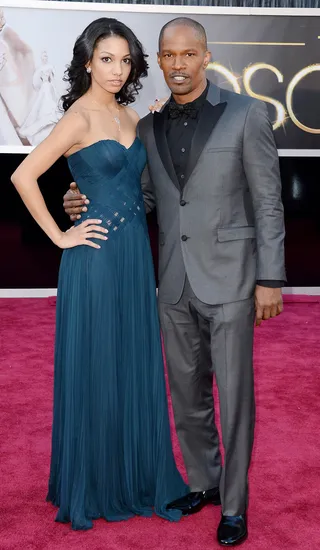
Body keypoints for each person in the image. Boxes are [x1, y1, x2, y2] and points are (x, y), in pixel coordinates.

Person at [64, 17, 286, 545]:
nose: (179, 64)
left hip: (232, 280)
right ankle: (204, 483)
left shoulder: (247, 113)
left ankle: (234, 505)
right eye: (169, 55)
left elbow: (268, 203)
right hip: (172, 283)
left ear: (206, 56)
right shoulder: (147, 127)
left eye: (189, 54)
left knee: (233, 398)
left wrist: (270, 278)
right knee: (187, 396)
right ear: (159, 61)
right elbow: (141, 200)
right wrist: (80, 204)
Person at [11, 17, 188, 531]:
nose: (116, 69)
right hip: (94, 258)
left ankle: (133, 475)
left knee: (131, 360)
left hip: (135, 256)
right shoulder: (79, 116)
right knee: (98, 363)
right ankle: (95, 481)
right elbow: (24, 175)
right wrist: (61, 235)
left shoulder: (132, 115)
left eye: (125, 60)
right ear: (86, 61)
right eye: (106, 59)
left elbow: (142, 184)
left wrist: (155, 121)